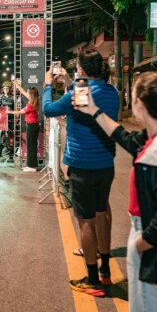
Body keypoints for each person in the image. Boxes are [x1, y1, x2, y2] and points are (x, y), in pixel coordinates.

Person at [73, 71, 157, 312]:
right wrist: (94, 111)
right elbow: (123, 137)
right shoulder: (149, 139)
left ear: (139, 105)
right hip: (143, 232)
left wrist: (142, 242)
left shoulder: (156, 152)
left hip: (149, 240)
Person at [43, 50, 119, 297]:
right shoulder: (112, 92)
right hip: (105, 164)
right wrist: (71, 81)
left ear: (83, 70)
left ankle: (93, 279)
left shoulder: (80, 93)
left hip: (82, 166)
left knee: (86, 221)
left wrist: (47, 85)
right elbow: (84, 98)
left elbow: (49, 109)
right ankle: (105, 270)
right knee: (102, 212)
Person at [8, 82, 40, 172]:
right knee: (31, 146)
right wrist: (16, 84)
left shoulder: (31, 105)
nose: (27, 93)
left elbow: (20, 112)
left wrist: (9, 112)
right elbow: (22, 91)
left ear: (31, 95)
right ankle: (31, 165)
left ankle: (32, 167)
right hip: (32, 126)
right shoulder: (34, 100)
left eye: (28, 92)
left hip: (32, 126)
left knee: (31, 146)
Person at [0, 81, 15, 159]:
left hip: (11, 118)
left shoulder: (13, 97)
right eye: (4, 88)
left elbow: (16, 107)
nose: (6, 90)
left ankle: (11, 150)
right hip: (2, 117)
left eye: (7, 88)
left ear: (9, 89)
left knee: (11, 134)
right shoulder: (1, 96)